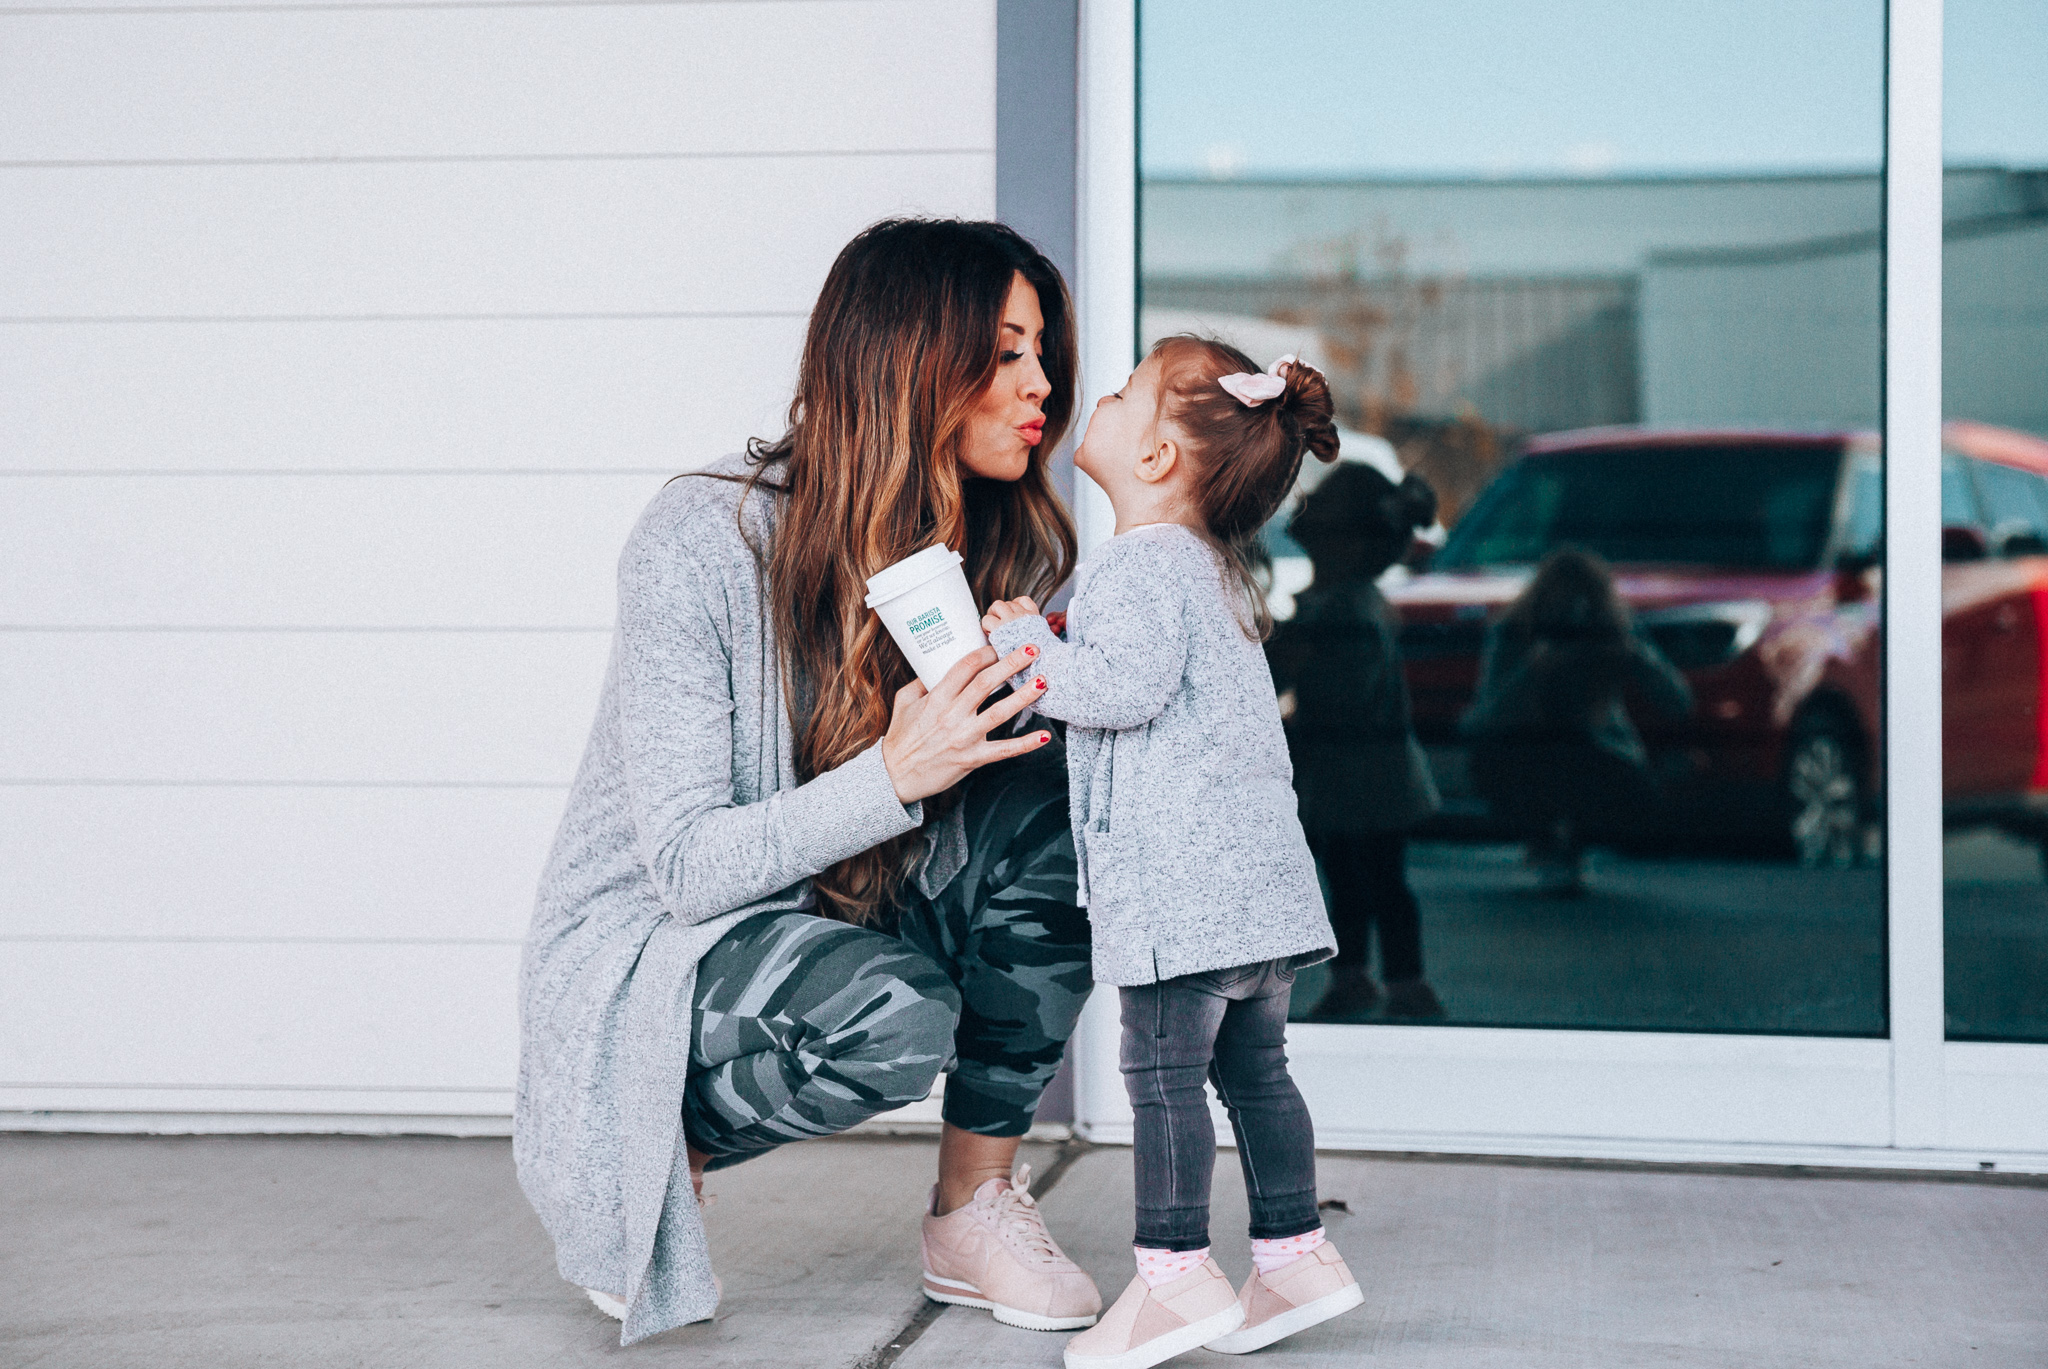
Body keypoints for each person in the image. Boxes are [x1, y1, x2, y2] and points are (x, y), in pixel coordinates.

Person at [514, 219, 1103, 1345]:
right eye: (1007, 351)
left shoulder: (1001, 547)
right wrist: (895, 770)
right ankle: (642, 1143)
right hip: (664, 946)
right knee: (892, 1018)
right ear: (906, 361)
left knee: (1053, 801)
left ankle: (972, 1205)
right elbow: (685, 867)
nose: (1041, 386)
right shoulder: (704, 538)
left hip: (846, 898)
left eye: (1042, 351)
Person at [983, 340, 1364, 1368]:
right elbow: (1152, 711)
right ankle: (1294, 1255)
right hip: (1257, 893)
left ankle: (1174, 1277)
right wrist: (1058, 649)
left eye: (1115, 395)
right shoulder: (1214, 571)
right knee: (1258, 1073)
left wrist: (1025, 650)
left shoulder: (1138, 562)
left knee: (1162, 1079)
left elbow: (1117, 693)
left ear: (1154, 456)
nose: (1090, 403)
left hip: (1183, 898)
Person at [1267, 462, 1445, 1021]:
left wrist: (1299, 673)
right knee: (1361, 876)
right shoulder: (1347, 603)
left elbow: (1344, 692)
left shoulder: (1347, 611)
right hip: (1363, 771)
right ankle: (1371, 979)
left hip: (1363, 771)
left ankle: (1396, 982)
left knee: (1372, 879)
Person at [1461, 546, 1693, 894]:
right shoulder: (1515, 632)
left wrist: (1634, 655)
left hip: (1597, 752)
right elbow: (1483, 720)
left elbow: (1679, 704)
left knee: (1595, 766)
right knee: (1514, 758)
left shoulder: (1611, 632)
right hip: (1526, 749)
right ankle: (1543, 838)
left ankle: (1573, 841)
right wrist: (1533, 670)